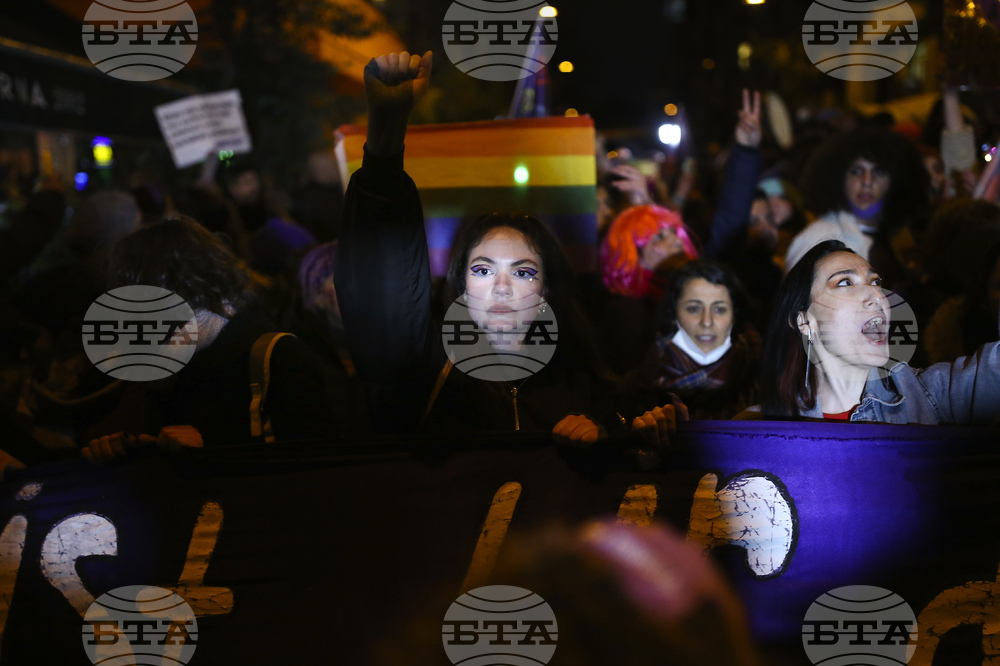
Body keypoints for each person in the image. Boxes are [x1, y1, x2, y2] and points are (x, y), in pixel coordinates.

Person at [335, 50, 677, 446]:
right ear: (460, 286)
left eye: (523, 271)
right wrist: (386, 134)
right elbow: (383, 279)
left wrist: (608, 450)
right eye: (482, 270)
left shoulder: (590, 394)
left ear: (546, 290)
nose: (501, 286)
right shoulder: (423, 377)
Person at [83, 217, 337, 462]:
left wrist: (210, 452)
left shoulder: (276, 356)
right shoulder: (164, 367)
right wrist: (126, 451)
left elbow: (315, 467)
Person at [757, 240, 1000, 423]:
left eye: (876, 283)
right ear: (804, 320)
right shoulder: (758, 428)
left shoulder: (928, 396)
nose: (876, 295)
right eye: (845, 283)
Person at [785, 128, 930, 288]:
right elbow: (795, 306)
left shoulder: (897, 234)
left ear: (895, 179)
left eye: (879, 171)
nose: (867, 181)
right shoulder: (818, 239)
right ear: (839, 178)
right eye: (857, 171)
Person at [627, 261, 759, 420]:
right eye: (693, 308)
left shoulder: (764, 376)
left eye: (719, 309)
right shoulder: (643, 379)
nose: (707, 321)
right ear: (674, 313)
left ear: (734, 315)